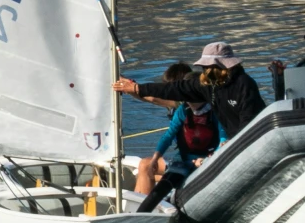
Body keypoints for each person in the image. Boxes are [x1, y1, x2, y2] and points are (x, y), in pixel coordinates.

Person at [114, 40, 267, 147]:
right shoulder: (206, 84)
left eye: (209, 67)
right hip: (231, 141)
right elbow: (170, 89)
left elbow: (249, 119)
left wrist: (235, 143)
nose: (206, 71)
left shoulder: (244, 84)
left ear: (224, 67)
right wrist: (136, 88)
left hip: (251, 139)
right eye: (204, 68)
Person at [131, 63, 221, 213]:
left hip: (202, 159)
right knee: (147, 167)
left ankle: (141, 212)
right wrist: (128, 88)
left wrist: (130, 88)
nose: (167, 92)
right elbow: (168, 135)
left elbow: (152, 98)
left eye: (170, 88)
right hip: (185, 159)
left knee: (145, 167)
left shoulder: (182, 102)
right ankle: (142, 210)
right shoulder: (183, 108)